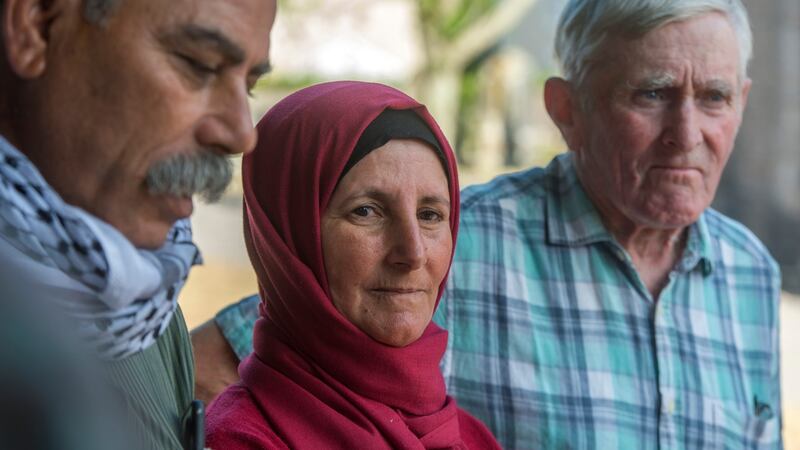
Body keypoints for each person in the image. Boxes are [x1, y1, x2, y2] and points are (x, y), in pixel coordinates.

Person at [195, 0, 782, 448]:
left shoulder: (749, 271)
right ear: (565, 110)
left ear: (744, 102)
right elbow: (233, 359)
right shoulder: (457, 239)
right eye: (652, 94)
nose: (687, 134)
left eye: (715, 98)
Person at [0, 0, 276, 448]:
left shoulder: (143, 306)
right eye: (199, 65)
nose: (241, 134)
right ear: (38, 25)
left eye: (247, 86)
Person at [205, 81, 500, 449]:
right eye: (366, 211)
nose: (413, 253)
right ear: (288, 237)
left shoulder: (468, 435)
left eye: (430, 215)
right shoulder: (245, 440)